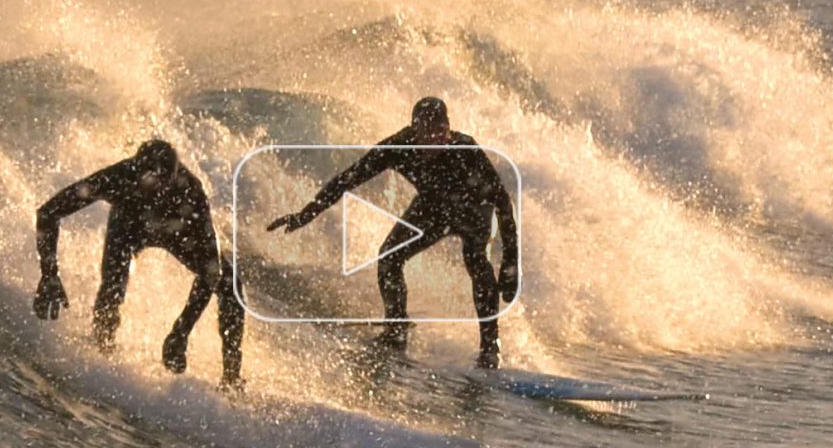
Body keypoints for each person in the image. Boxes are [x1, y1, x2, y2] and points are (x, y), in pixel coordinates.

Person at [268, 97, 518, 369]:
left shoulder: (465, 149)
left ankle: (490, 348)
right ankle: (396, 330)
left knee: (476, 259)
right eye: (428, 131)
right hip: (432, 209)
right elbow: (348, 178)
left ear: (448, 129)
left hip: (474, 209)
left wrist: (511, 261)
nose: (435, 138)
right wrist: (306, 213)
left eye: (441, 131)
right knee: (389, 258)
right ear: (415, 130)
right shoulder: (398, 147)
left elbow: (502, 201)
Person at [32, 139, 244, 388]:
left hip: (176, 232)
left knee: (232, 286)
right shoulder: (118, 178)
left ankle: (231, 381)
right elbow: (48, 212)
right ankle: (103, 356)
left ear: (174, 178)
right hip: (129, 229)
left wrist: (182, 330)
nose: (157, 194)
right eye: (149, 185)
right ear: (136, 171)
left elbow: (212, 270)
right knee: (113, 288)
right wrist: (49, 274)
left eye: (164, 186)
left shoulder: (190, 192)